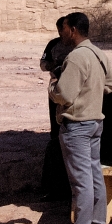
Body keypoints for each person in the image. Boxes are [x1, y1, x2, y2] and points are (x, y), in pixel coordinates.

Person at [47, 11, 112, 224]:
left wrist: (52, 87)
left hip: (76, 124)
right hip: (95, 122)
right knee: (94, 173)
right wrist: (91, 96)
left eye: (64, 28)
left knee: (81, 181)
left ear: (73, 30)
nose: (62, 33)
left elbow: (64, 94)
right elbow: (111, 85)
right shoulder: (98, 53)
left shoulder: (76, 58)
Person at [39, 17, 73, 200]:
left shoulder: (79, 47)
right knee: (56, 133)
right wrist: (52, 66)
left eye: (64, 30)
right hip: (57, 91)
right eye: (60, 30)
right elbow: (43, 64)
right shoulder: (53, 44)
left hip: (74, 92)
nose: (62, 34)